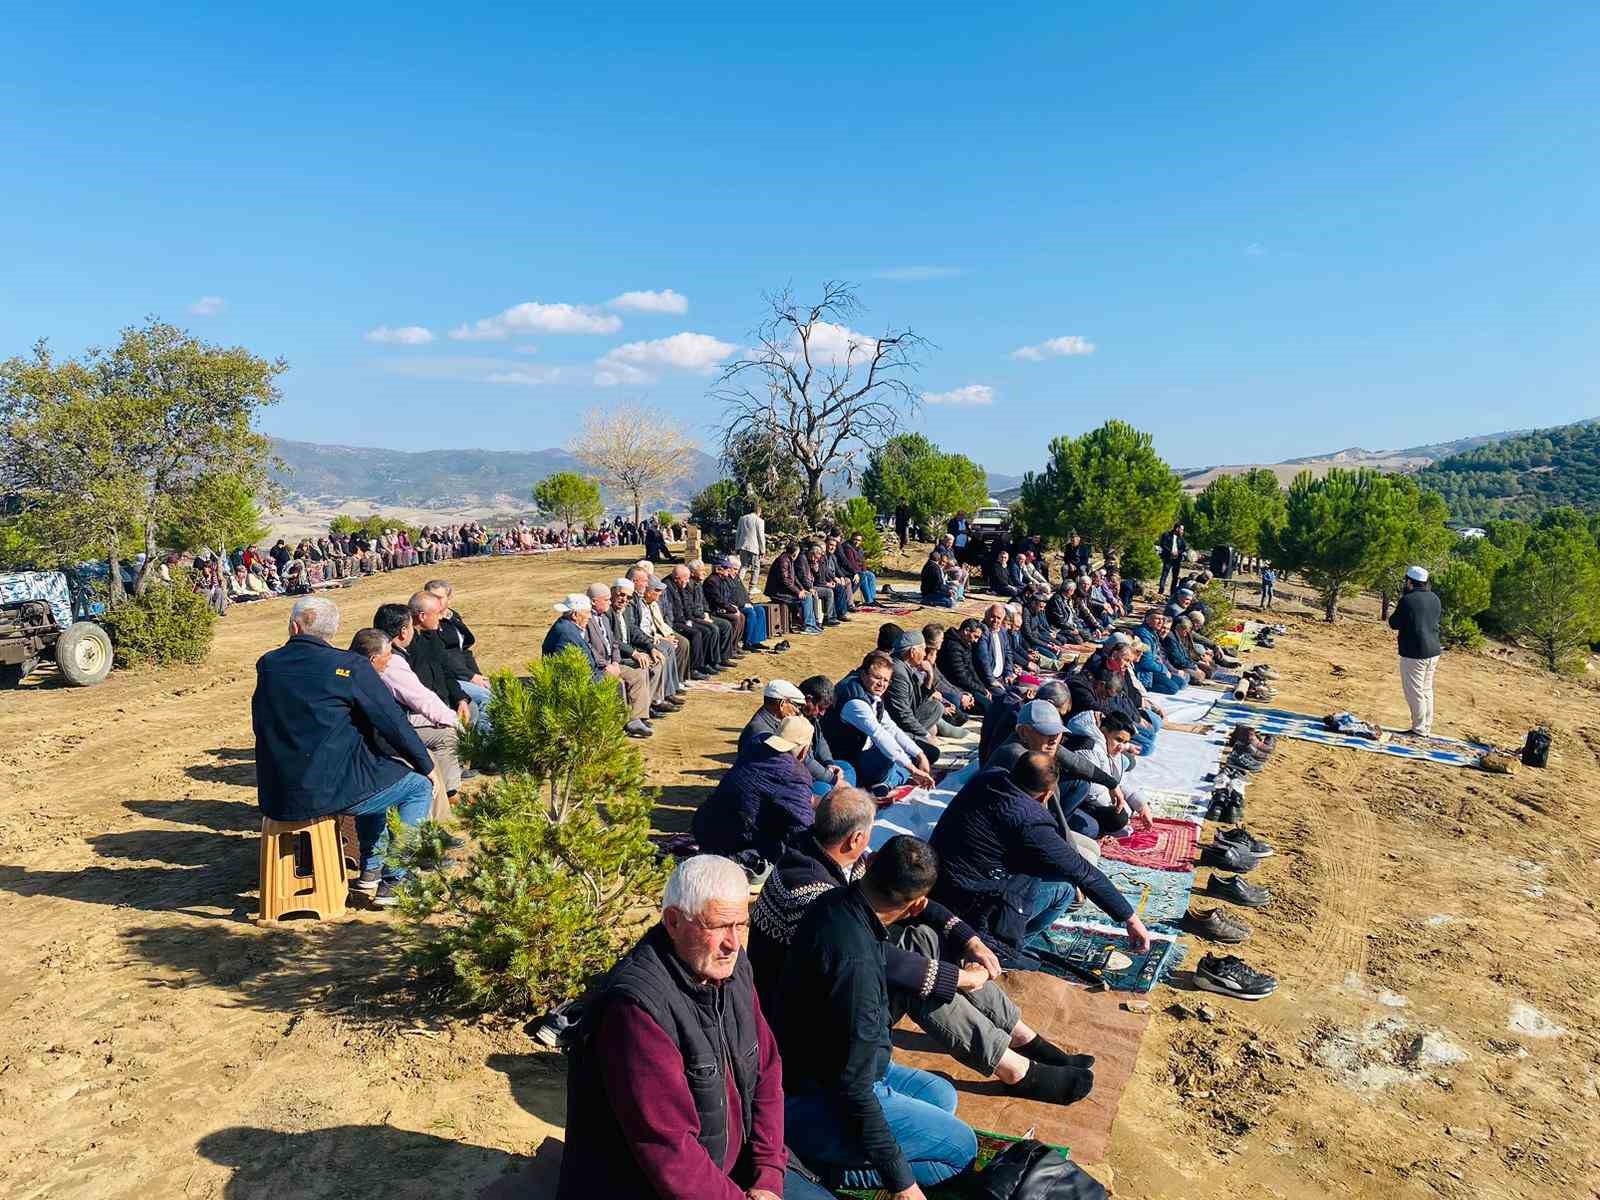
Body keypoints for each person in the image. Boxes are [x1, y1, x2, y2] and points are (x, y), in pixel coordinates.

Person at [750, 789, 1091, 1109]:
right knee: (917, 983)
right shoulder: (811, 891)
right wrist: (960, 978)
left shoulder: (829, 857)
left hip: (831, 980)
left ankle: (1021, 1037)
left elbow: (910, 897)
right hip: (799, 1010)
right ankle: (1014, 1069)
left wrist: (968, 938)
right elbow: (870, 957)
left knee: (925, 938)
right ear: (856, 838)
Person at [556, 855, 831, 1200]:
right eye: (717, 926)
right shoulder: (637, 1010)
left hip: (734, 1174)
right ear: (673, 921)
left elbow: (766, 1070)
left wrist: (768, 1177)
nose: (733, 943)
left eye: (741, 925)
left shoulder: (732, 969)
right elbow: (667, 1149)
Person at [776, 836, 980, 1195]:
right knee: (961, 1148)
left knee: (941, 1094)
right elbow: (855, 1089)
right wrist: (899, 1179)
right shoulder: (857, 971)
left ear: (867, 866)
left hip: (825, 1066)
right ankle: (823, 1168)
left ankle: (852, 1152)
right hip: (817, 1095)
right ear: (916, 905)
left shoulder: (835, 900)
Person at [251, 597, 434, 908]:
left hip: (276, 791)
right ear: (332, 632)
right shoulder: (349, 666)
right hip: (330, 790)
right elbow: (391, 721)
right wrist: (425, 764)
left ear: (294, 627)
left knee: (377, 772)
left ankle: (371, 870)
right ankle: (396, 878)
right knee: (417, 787)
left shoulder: (268, 664)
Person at [930, 752, 1151, 966]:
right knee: (1066, 887)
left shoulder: (988, 778)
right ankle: (1005, 950)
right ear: (1046, 795)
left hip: (941, 883)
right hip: (971, 902)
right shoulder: (1029, 819)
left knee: (1079, 851)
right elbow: (1081, 870)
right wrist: (1130, 918)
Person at [692, 716, 819, 864]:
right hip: (732, 844)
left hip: (705, 824)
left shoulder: (756, 745)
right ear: (804, 751)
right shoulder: (793, 773)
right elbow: (803, 826)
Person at [367, 609, 464, 801]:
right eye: (411, 627)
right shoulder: (391, 660)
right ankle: (450, 792)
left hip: (387, 719)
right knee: (446, 734)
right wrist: (454, 721)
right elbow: (421, 699)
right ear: (404, 631)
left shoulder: (373, 649)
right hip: (389, 727)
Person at [821, 651, 938, 792]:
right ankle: (888, 780)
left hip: (861, 753)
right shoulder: (854, 700)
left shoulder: (871, 694)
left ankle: (887, 782)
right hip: (844, 757)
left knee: (926, 753)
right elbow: (879, 734)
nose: (881, 684)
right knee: (887, 752)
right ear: (864, 674)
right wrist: (913, 770)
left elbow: (892, 728)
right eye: (877, 678)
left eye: (886, 680)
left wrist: (920, 755)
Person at [542, 592, 654, 738]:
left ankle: (635, 720)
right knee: (616, 683)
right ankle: (612, 727)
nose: (589, 617)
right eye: (587, 613)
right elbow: (579, 666)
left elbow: (605, 647)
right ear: (575, 615)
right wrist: (605, 672)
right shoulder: (567, 633)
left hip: (591, 669)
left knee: (636, 675)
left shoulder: (569, 627)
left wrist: (612, 664)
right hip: (575, 678)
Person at [585, 583, 671, 721]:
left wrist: (650, 647)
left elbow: (633, 631)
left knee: (656, 661)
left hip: (619, 656)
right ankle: (637, 715)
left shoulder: (626, 610)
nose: (625, 599)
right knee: (642, 670)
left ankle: (650, 704)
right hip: (618, 657)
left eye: (629, 597)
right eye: (621, 595)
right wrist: (633, 654)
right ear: (613, 593)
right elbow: (613, 642)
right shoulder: (605, 613)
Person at [423, 579, 493, 729]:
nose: (436, 603)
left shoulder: (452, 616)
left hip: (463, 672)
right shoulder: (429, 624)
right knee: (485, 697)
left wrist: (476, 674)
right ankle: (483, 743)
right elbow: (442, 658)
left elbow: (465, 649)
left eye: (440, 598)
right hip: (448, 677)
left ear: (449, 598)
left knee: (492, 689)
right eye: (432, 598)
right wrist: (470, 676)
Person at [1390, 565, 1442, 736]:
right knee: (1426, 690)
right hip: (1433, 650)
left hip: (1415, 652)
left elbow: (1394, 623)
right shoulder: (1435, 598)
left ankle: (1419, 729)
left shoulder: (1407, 600)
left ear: (1410, 582)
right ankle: (1425, 726)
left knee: (1414, 691)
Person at [885, 630, 947, 747]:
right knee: (932, 752)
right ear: (913, 652)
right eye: (922, 650)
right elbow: (903, 714)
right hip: (896, 725)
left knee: (936, 707)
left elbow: (918, 701)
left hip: (906, 718)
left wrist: (929, 676)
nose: (924, 654)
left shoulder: (907, 667)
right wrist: (926, 735)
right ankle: (910, 740)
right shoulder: (898, 672)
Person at [936, 618, 996, 712]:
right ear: (966, 631)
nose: (976, 641)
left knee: (993, 700)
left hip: (966, 684)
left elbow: (971, 669)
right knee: (988, 707)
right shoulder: (953, 646)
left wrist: (982, 688)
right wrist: (980, 690)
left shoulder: (965, 643)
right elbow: (961, 676)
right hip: (954, 685)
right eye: (975, 636)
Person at [765, 543, 823, 634]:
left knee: (808, 595)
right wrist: (798, 592)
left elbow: (794, 578)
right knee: (806, 598)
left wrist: (801, 589)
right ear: (794, 553)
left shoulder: (789, 560)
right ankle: (807, 626)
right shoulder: (783, 561)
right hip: (777, 592)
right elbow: (785, 581)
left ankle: (812, 624)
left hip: (783, 590)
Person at [974, 604, 1013, 693]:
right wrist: (991, 680)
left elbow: (1008, 652)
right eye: (993, 617)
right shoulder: (983, 632)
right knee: (1005, 698)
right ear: (986, 616)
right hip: (988, 681)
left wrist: (1008, 673)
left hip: (1002, 677)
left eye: (999, 618)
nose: (995, 620)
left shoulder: (1002, 631)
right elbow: (983, 659)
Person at [838, 532, 879, 605]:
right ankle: (869, 601)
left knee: (871, 575)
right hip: (848, 571)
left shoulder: (859, 549)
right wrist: (856, 572)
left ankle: (872, 598)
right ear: (851, 539)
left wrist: (864, 569)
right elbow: (851, 563)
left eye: (859, 540)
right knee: (863, 576)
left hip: (858, 570)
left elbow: (863, 561)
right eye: (855, 539)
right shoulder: (848, 548)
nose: (857, 542)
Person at [736, 500, 767, 592]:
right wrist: (763, 550)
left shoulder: (742, 518)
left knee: (744, 566)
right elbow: (761, 536)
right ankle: (752, 587)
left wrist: (737, 546)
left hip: (742, 545)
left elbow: (738, 533)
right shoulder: (759, 521)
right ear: (758, 510)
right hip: (754, 547)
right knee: (756, 567)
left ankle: (737, 584)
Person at [1158, 522, 1188, 595]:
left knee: (1175, 576)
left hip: (1177, 559)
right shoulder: (1166, 535)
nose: (1182, 531)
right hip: (1168, 557)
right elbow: (1163, 544)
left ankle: (1172, 592)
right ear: (1177, 528)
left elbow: (1184, 548)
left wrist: (1178, 552)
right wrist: (1170, 552)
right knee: (1164, 574)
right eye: (1181, 529)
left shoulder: (1181, 538)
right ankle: (1161, 590)